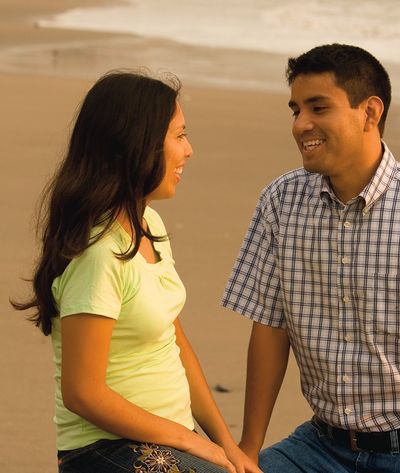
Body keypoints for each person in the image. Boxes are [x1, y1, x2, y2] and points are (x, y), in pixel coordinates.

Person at [222, 44, 400, 473]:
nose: (301, 125)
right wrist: (248, 448)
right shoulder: (280, 201)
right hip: (318, 446)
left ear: (370, 112)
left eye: (318, 107)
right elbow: (270, 327)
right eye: (295, 110)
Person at [13, 71, 261, 473]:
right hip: (105, 450)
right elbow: (82, 393)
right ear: (139, 145)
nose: (189, 150)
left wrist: (225, 445)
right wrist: (188, 440)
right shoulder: (98, 253)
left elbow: (174, 342)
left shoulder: (150, 224)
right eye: (179, 136)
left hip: (167, 439)